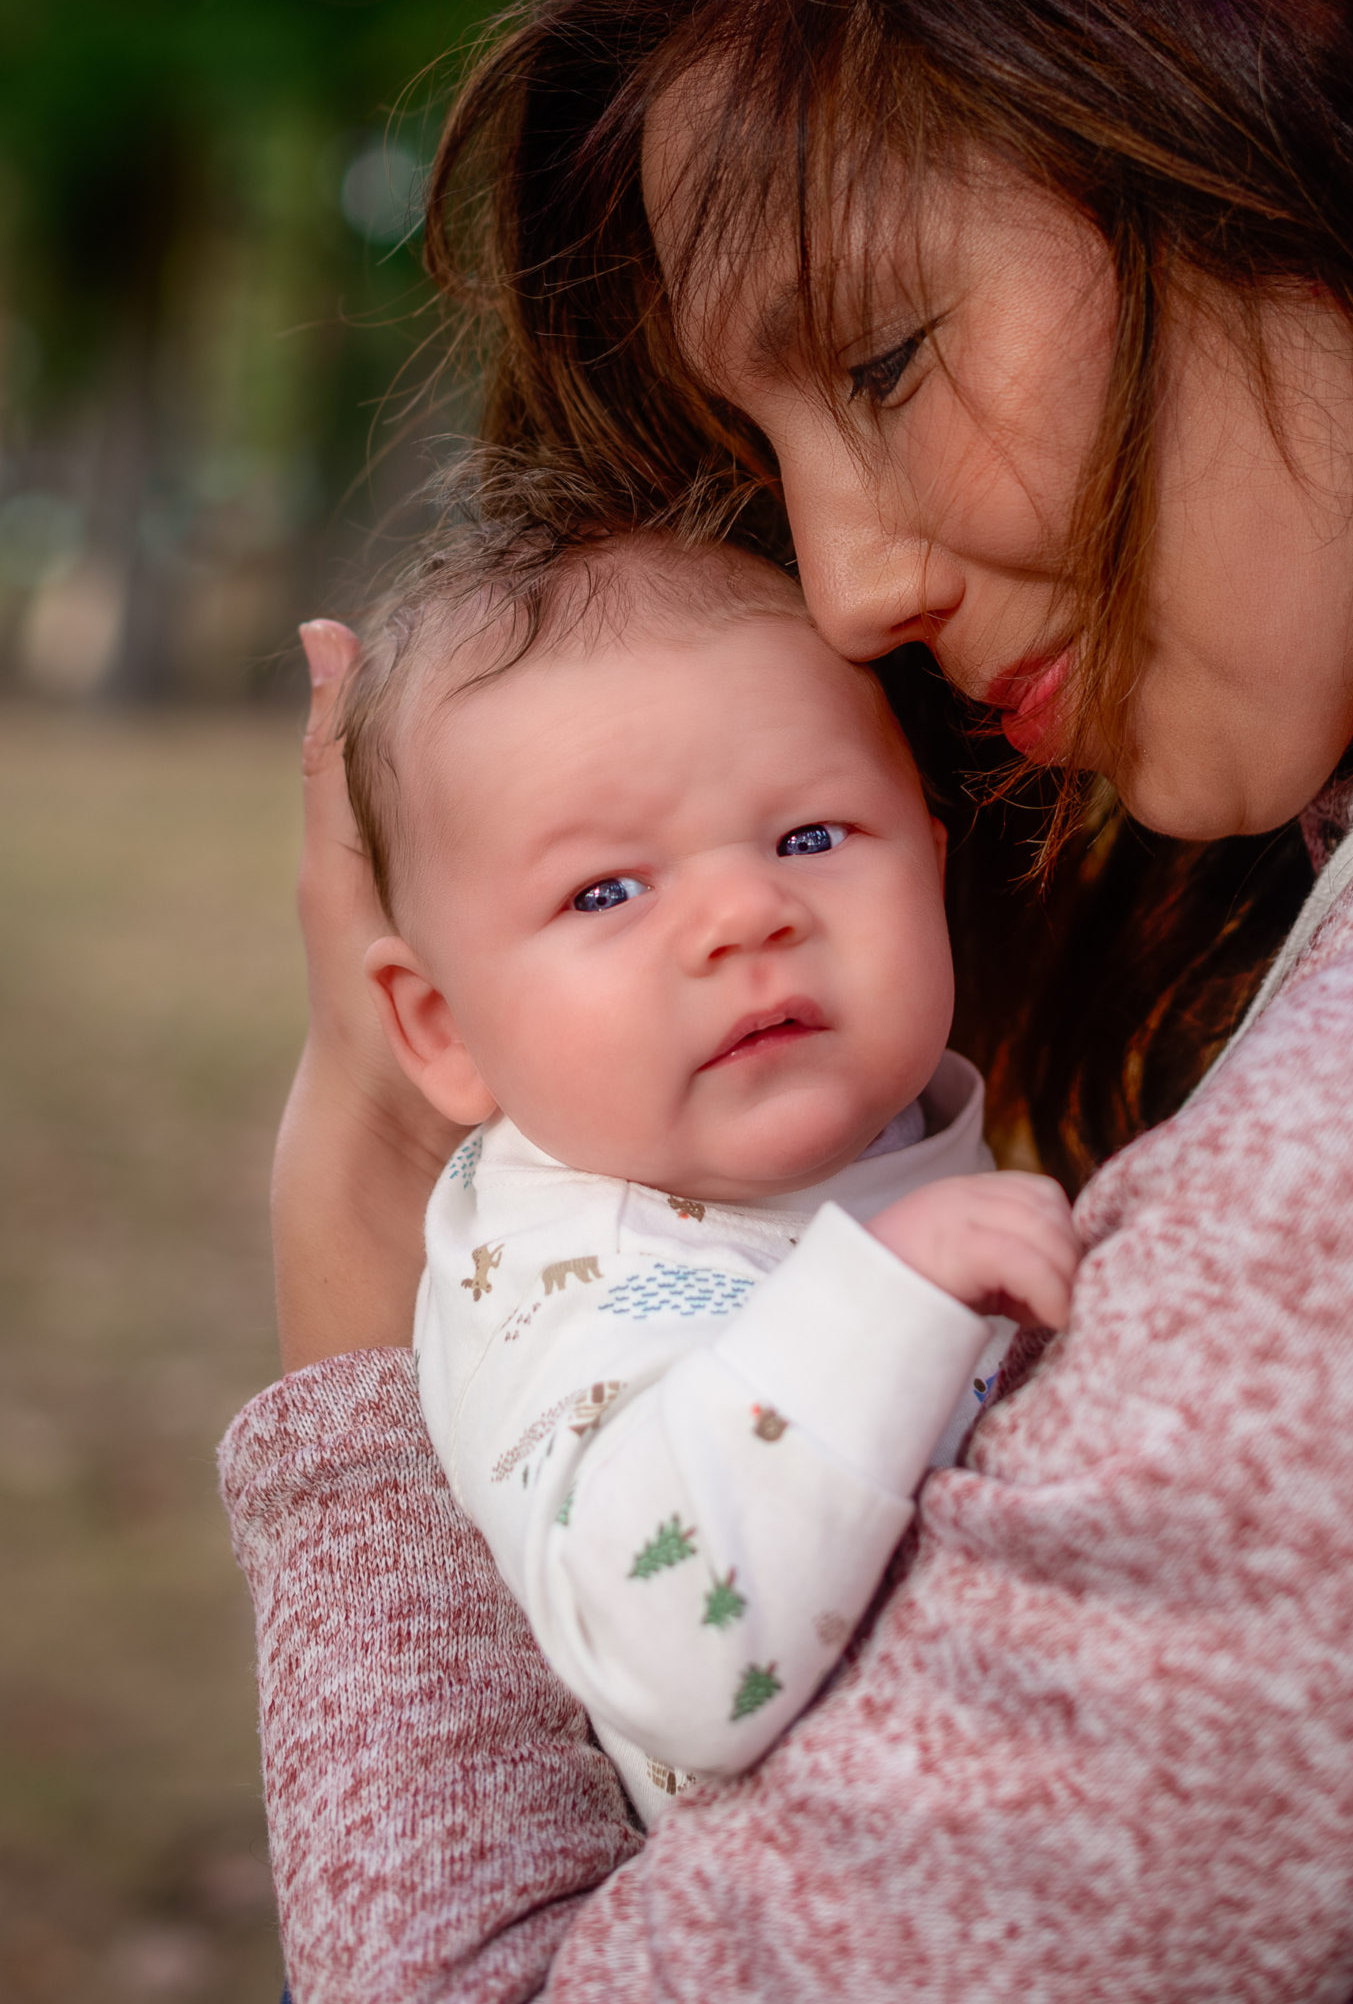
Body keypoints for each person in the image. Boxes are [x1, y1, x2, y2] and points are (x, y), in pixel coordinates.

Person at [223, 0, 1353, 2000]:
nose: (851, 583)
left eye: (891, 355)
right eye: (772, 461)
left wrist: (355, 1312)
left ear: (1302, 87)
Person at [340, 487, 1072, 1824]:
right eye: (605, 891)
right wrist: (889, 1295)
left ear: (930, 864)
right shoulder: (582, 1283)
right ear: (444, 1031)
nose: (746, 912)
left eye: (810, 838)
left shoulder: (884, 1147)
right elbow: (672, 1656)